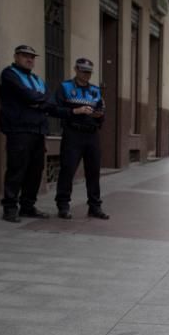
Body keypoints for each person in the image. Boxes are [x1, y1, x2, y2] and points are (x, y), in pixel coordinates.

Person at [0, 45, 84, 223]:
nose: (29, 60)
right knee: (17, 169)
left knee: (35, 171)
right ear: (16, 57)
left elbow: (50, 103)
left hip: (38, 131)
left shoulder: (37, 79)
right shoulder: (9, 74)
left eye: (32, 57)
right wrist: (39, 101)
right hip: (19, 129)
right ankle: (10, 208)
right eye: (25, 56)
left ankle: (28, 206)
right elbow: (27, 96)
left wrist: (43, 103)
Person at [54, 57, 109, 220]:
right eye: (83, 71)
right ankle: (63, 206)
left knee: (93, 171)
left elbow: (101, 112)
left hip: (91, 134)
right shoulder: (65, 87)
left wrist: (99, 117)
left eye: (89, 72)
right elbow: (53, 109)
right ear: (76, 70)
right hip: (73, 134)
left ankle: (95, 206)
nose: (86, 75)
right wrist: (74, 112)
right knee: (68, 170)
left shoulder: (95, 90)